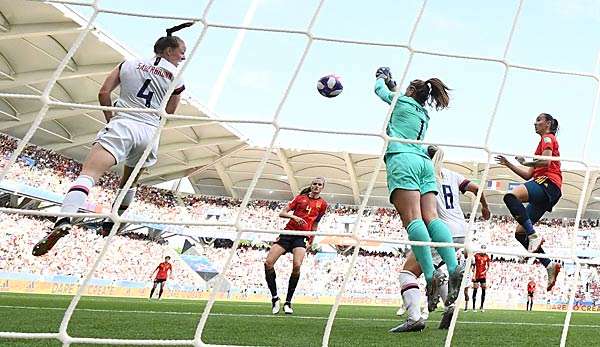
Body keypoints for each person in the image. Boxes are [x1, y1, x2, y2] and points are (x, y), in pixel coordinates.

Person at [32, 22, 193, 256]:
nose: (184, 56)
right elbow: (168, 113)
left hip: (123, 123)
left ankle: (64, 219)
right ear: (168, 51)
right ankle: (111, 222)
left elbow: (103, 92)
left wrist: (111, 118)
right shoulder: (176, 77)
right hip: (149, 133)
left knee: (89, 175)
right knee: (129, 182)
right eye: (181, 51)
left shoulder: (128, 64)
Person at [372, 68, 462, 333]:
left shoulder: (401, 101)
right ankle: (454, 268)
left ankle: (432, 276)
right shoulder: (424, 113)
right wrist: (394, 85)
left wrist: (380, 77)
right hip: (425, 163)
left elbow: (380, 92)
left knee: (413, 219)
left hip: (404, 158)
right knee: (431, 217)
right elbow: (398, 96)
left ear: (411, 91)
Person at [394, 145, 490, 331]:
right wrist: (485, 207)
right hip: (461, 232)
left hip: (439, 232)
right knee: (437, 269)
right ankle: (450, 306)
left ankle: (414, 318)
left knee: (408, 273)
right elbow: (476, 188)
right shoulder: (452, 175)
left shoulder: (421, 175)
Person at [495, 113, 562, 291]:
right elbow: (527, 174)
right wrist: (509, 164)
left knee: (511, 196)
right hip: (544, 187)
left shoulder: (548, 138)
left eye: (539, 120)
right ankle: (549, 265)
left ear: (548, 123)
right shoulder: (541, 144)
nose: (535, 122)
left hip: (548, 183)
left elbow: (546, 162)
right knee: (519, 233)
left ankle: (534, 236)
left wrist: (528, 161)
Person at [264, 177, 327, 315]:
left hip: (302, 236)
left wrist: (311, 239)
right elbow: (282, 213)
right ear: (311, 185)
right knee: (268, 263)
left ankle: (288, 302)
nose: (316, 186)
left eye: (319, 184)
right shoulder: (299, 198)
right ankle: (275, 298)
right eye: (314, 183)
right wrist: (294, 217)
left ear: (322, 187)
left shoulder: (323, 204)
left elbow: (315, 224)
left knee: (297, 266)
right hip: (287, 233)